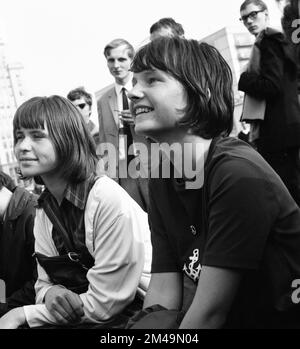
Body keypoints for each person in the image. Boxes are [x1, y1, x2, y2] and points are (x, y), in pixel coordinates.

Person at [127, 36, 300, 329]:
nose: (132, 93)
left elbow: (208, 316)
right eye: (134, 82)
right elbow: (163, 294)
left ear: (200, 94)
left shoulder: (237, 174)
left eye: (152, 80)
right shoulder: (162, 176)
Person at [0, 95, 151, 329]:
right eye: (19, 137)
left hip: (142, 316)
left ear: (68, 140)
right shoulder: (44, 209)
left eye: (37, 136)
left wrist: (22, 314)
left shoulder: (106, 198)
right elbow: (42, 283)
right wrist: (50, 294)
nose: (22, 146)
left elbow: (106, 305)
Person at [238, 0, 300, 206]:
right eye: (244, 18)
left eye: (253, 14)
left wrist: (244, 80)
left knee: (288, 193)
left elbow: (273, 86)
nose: (249, 21)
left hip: (279, 132)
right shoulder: (276, 41)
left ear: (266, 14)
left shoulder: (269, 41)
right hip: (285, 129)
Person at [97, 38, 149, 212]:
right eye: (111, 60)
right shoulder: (103, 100)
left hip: (153, 167)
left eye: (121, 59)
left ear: (131, 61)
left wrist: (140, 121)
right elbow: (104, 140)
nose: (116, 65)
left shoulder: (146, 89)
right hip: (123, 172)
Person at [0, 171, 37, 316]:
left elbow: (43, 281)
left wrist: (4, 306)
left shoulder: (33, 213)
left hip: (29, 312)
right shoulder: (5, 219)